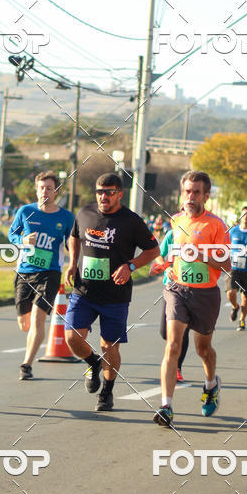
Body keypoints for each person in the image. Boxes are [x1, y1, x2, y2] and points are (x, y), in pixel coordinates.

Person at [64, 173, 159, 411]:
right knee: (72, 337)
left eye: (109, 192)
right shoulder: (85, 213)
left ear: (119, 194)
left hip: (115, 295)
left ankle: (107, 391)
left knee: (110, 346)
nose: (103, 196)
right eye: (99, 191)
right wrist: (72, 262)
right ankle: (92, 362)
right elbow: (74, 237)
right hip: (84, 289)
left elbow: (153, 250)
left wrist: (131, 266)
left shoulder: (131, 221)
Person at [153, 170, 231, 428]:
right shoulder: (175, 222)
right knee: (173, 345)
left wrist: (201, 255)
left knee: (203, 349)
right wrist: (160, 265)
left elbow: (227, 264)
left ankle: (210, 385)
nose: (191, 196)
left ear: (206, 196)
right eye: (187, 191)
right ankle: (166, 406)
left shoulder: (216, 225)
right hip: (177, 289)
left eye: (196, 192)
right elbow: (163, 253)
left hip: (206, 294)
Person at [8, 172, 74, 380]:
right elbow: (12, 235)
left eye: (49, 188)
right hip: (25, 272)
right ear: (36, 190)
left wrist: (74, 263)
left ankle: (26, 364)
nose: (45, 191)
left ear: (56, 191)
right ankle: (30, 348)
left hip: (50, 273)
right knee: (24, 324)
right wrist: (23, 239)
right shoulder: (25, 211)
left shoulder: (65, 217)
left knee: (38, 318)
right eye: (41, 188)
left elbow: (72, 242)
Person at [150, 224, 190, 382]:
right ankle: (174, 355)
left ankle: (177, 367)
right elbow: (157, 253)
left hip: (189, 287)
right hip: (171, 287)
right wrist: (165, 267)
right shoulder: (171, 234)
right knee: (164, 332)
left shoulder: (199, 236)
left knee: (181, 331)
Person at [226, 206, 247, 331]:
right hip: (234, 268)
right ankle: (235, 306)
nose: (246, 216)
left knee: (246, 297)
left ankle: (242, 320)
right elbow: (223, 245)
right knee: (231, 292)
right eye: (244, 214)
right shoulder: (233, 231)